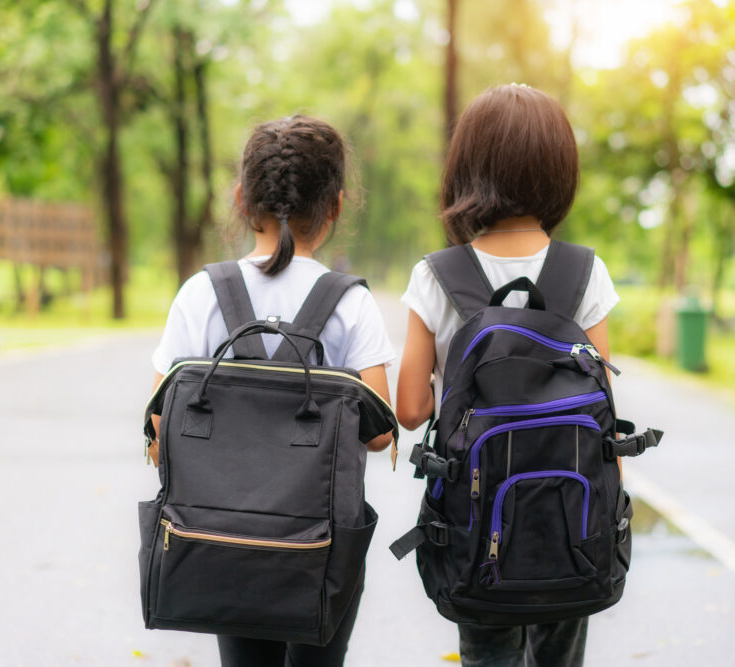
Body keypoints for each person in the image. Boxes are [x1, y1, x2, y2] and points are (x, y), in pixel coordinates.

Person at [147, 115, 396, 667]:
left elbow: (162, 428)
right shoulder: (351, 303)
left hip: (221, 540)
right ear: (335, 206)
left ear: (241, 199)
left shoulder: (202, 294)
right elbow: (380, 436)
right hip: (322, 546)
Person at [396, 84, 620, 667]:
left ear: (466, 170)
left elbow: (411, 410)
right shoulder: (584, 271)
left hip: (477, 531)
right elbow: (603, 410)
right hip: (572, 525)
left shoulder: (437, 275)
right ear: (558, 172)